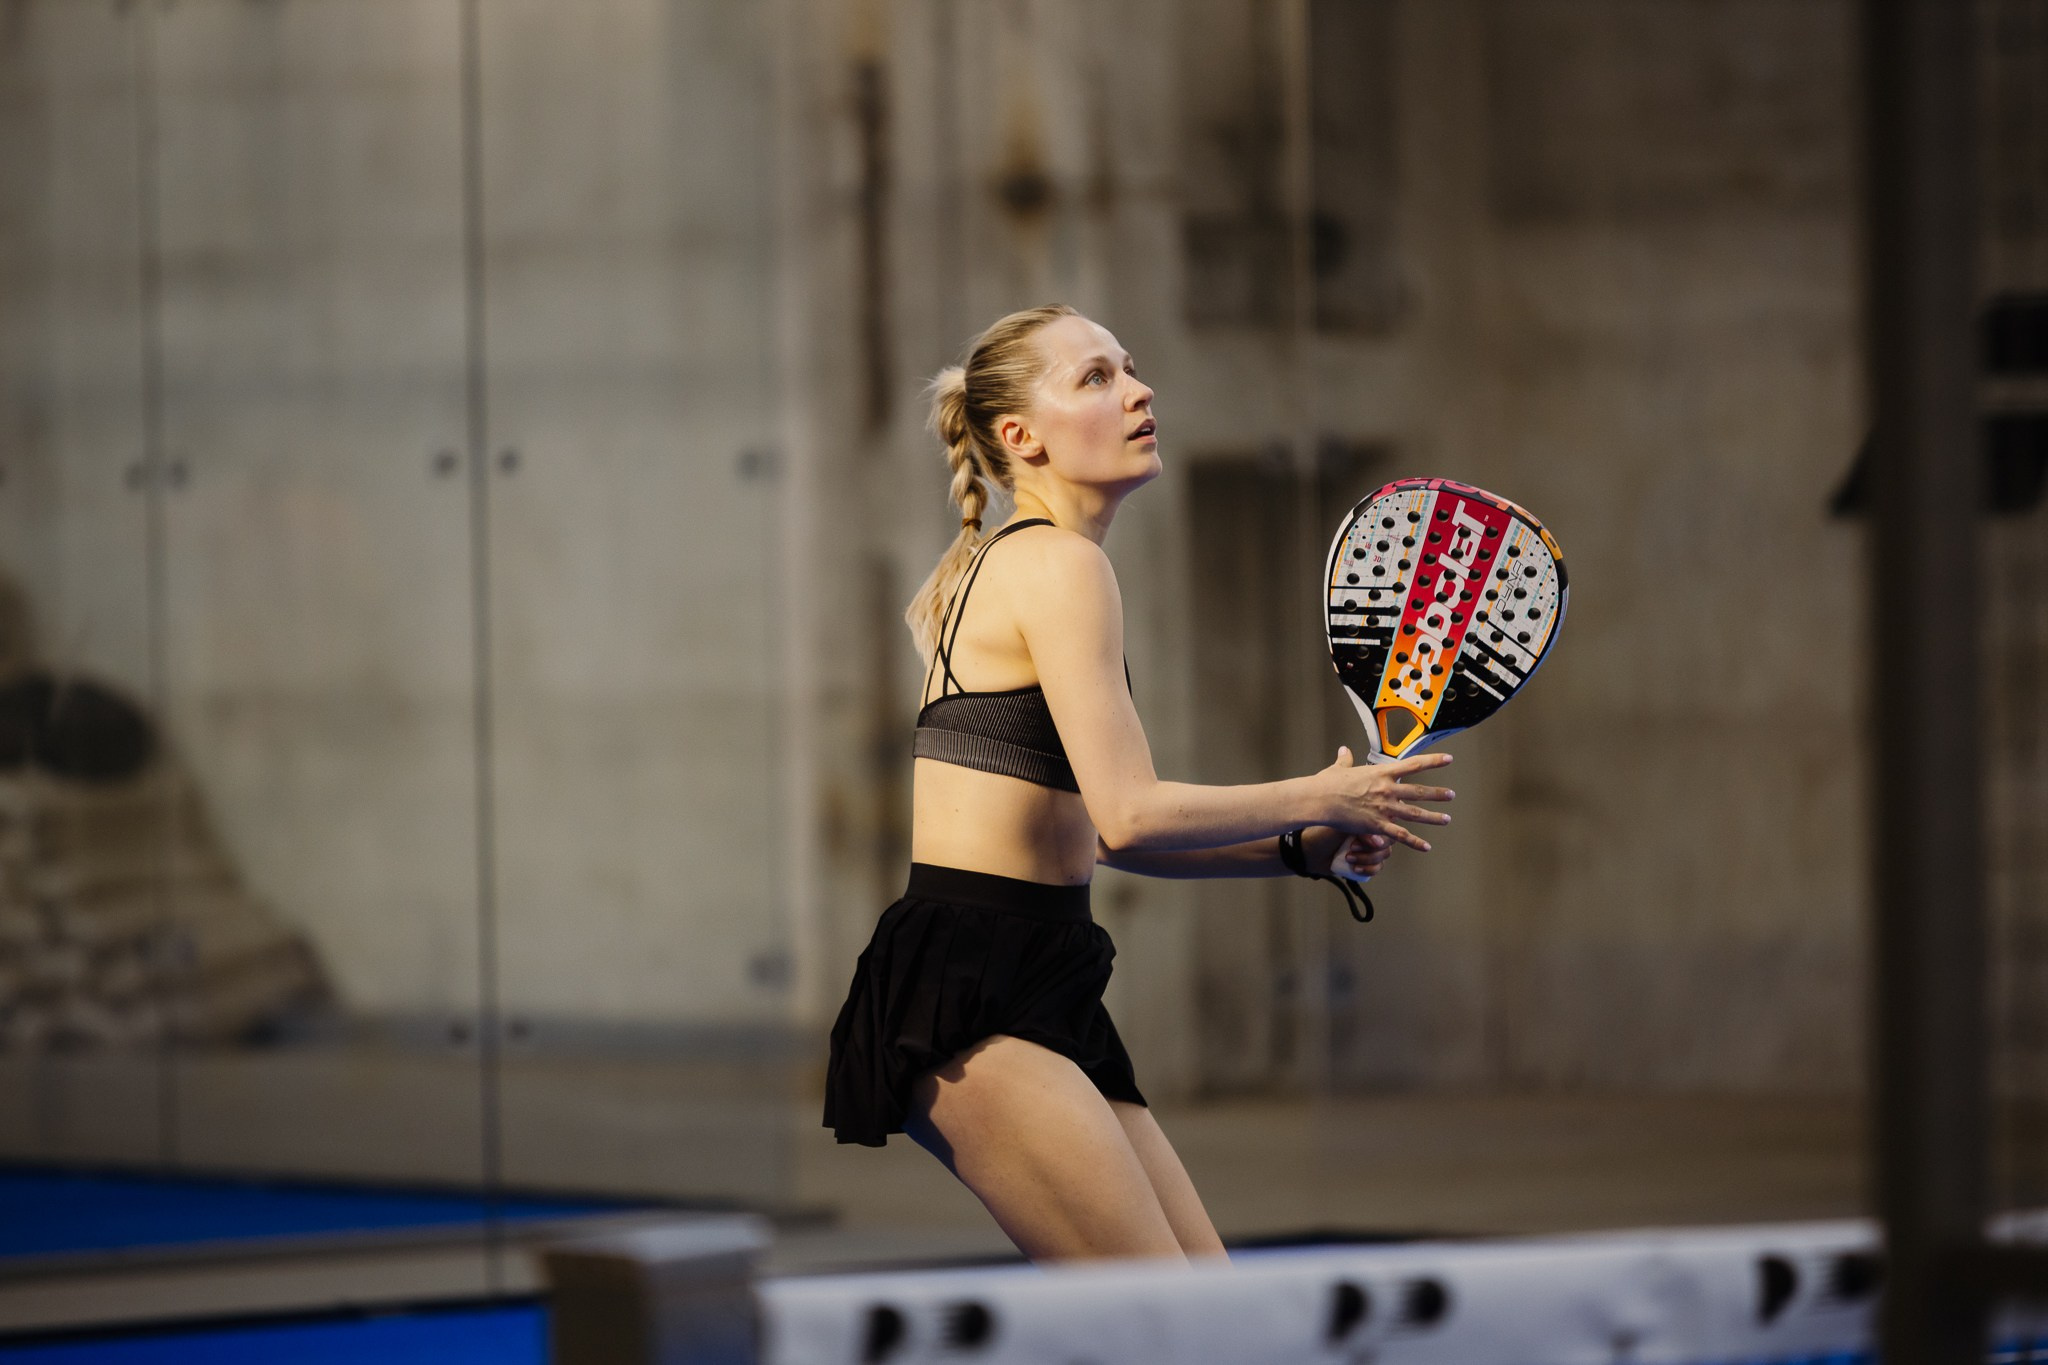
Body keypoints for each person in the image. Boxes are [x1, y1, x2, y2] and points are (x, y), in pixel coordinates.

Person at [823, 304, 1456, 1263]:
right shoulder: (1060, 565)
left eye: (1128, 367)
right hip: (973, 990)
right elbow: (1131, 814)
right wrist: (1323, 795)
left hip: (1038, 972)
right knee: (1173, 1323)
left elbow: (1101, 837)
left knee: (1209, 1312)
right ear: (1021, 437)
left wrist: (1301, 849)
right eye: (1096, 377)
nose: (1138, 390)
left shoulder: (1023, 563)